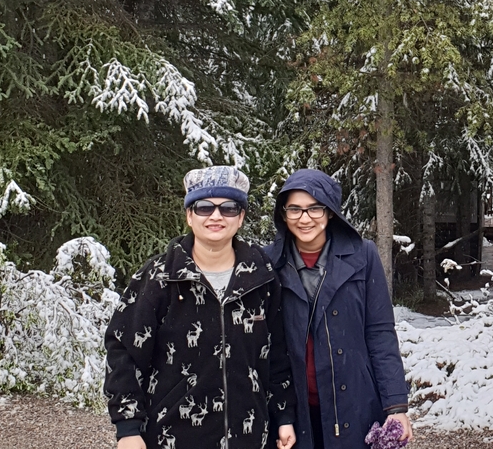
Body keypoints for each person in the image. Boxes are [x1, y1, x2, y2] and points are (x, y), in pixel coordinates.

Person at [105, 166, 297, 449]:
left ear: (241, 216)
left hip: (251, 438)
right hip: (172, 438)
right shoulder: (159, 277)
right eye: (204, 207)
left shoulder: (261, 276)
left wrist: (283, 416)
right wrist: (128, 428)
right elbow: (123, 352)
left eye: (229, 208)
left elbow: (277, 354)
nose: (216, 216)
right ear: (189, 216)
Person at [264, 169, 412, 449]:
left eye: (315, 208)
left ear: (331, 212)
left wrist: (396, 405)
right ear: (283, 214)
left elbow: (380, 332)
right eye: (294, 209)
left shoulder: (363, 255)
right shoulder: (268, 262)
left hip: (354, 403)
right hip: (292, 409)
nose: (304, 218)